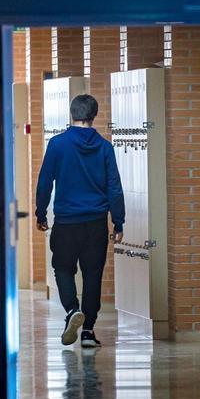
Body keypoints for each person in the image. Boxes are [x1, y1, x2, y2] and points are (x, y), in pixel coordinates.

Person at [35, 93, 125, 349]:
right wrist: (118, 222)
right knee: (92, 275)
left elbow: (45, 183)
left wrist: (41, 213)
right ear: (93, 116)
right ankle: (87, 331)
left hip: (66, 222)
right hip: (96, 222)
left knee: (62, 268)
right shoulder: (105, 147)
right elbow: (114, 188)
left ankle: (72, 310)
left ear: (71, 114)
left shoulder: (57, 144)